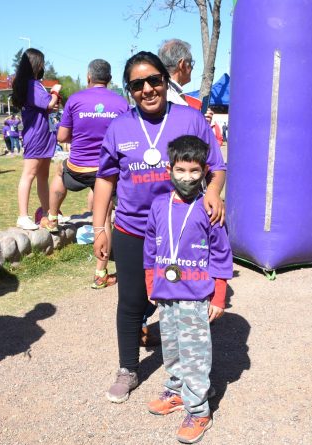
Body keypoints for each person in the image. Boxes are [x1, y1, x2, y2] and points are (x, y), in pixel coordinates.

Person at [92, 51, 226, 404]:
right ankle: (127, 369)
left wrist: (212, 191)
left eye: (154, 80)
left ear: (165, 81)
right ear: (129, 90)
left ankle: (189, 373)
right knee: (132, 300)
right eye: (138, 84)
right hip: (134, 229)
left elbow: (216, 165)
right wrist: (100, 227)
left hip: (182, 232)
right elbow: (105, 180)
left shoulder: (190, 119)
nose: (148, 89)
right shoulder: (119, 127)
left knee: (179, 299)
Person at [143, 135, 232, 444]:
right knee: (172, 348)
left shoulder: (210, 208)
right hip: (166, 294)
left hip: (196, 296)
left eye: (195, 171)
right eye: (180, 170)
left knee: (195, 355)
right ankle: (178, 390)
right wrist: (150, 281)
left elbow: (221, 255)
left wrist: (219, 296)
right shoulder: (158, 206)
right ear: (170, 168)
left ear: (204, 171)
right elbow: (149, 248)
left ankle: (199, 411)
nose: (187, 178)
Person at [50, 59, 129, 288]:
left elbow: (62, 137)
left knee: (58, 172)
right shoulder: (121, 102)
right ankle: (100, 273)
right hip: (106, 171)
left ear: (88, 77)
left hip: (77, 168)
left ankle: (52, 217)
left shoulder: (75, 100)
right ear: (110, 79)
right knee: (103, 217)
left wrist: (82, 136)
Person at [11, 48, 62, 230]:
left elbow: (46, 108)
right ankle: (22, 216)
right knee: (29, 174)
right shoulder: (32, 85)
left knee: (42, 176)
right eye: (42, 62)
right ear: (36, 64)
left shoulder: (34, 85)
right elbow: (48, 103)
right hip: (36, 137)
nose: (43, 66)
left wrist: (52, 104)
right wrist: (55, 92)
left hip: (45, 136)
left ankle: (48, 212)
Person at [158, 39, 214, 123]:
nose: (192, 68)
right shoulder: (171, 98)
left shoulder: (159, 92)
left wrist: (202, 123)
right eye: (191, 63)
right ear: (182, 64)